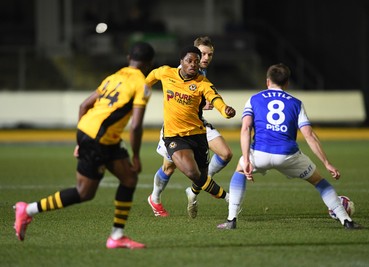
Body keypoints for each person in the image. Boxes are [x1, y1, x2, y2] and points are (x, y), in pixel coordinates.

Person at [13, 42, 155, 249]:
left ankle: (117, 236)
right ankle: (28, 210)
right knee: (84, 193)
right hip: (99, 139)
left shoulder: (113, 77)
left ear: (128, 58)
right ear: (150, 64)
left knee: (129, 178)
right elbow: (135, 126)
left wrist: (81, 140)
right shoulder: (142, 84)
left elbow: (84, 105)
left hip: (96, 135)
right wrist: (136, 156)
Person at [217, 63, 361, 230]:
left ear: (267, 81)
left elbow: (246, 128)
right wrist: (327, 163)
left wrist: (247, 159)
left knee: (240, 170)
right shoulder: (296, 103)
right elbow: (309, 135)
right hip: (288, 155)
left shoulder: (254, 99)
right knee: (319, 181)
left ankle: (231, 220)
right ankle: (346, 221)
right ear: (286, 84)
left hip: (260, 153)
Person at [145, 45, 236, 219]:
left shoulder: (202, 82)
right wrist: (142, 88)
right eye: (189, 61)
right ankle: (228, 198)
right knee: (187, 172)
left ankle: (196, 190)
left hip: (198, 133)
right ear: (181, 62)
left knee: (201, 175)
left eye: (196, 61)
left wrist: (225, 110)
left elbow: (214, 98)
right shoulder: (167, 73)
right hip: (174, 134)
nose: (194, 64)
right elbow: (152, 76)